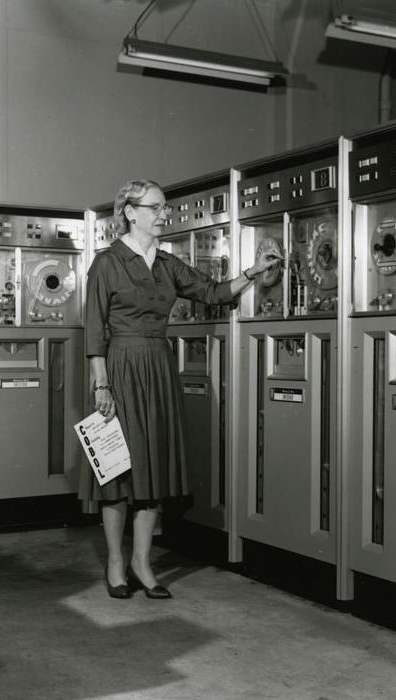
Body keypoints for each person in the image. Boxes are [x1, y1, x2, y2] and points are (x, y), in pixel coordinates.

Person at [83, 179, 280, 599]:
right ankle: (116, 563)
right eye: (155, 208)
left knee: (152, 467)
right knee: (118, 471)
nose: (162, 215)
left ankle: (141, 562)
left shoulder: (167, 264)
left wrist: (254, 272)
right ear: (130, 212)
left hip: (157, 367)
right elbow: (94, 328)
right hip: (118, 368)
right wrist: (102, 383)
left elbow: (212, 292)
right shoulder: (107, 263)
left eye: (164, 208)